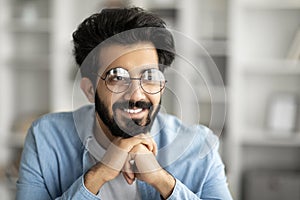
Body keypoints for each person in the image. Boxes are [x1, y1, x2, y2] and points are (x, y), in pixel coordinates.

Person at [16, 7, 232, 200]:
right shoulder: (46, 138)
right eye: (117, 77)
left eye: (150, 76)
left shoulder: (200, 146)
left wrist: (162, 182)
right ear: (89, 90)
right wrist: (97, 176)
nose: (136, 94)